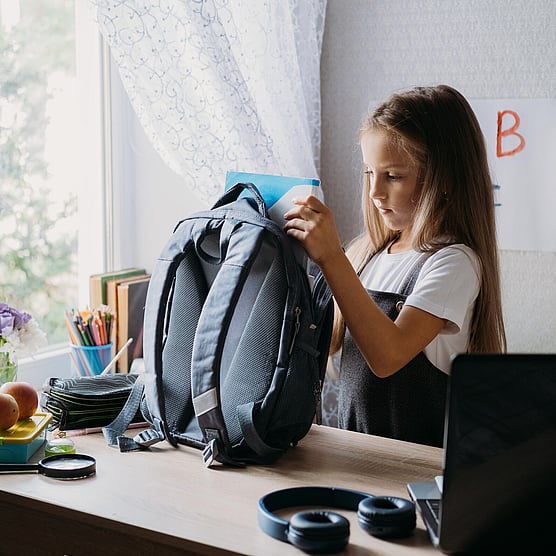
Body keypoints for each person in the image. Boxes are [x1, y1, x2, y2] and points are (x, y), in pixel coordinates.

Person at [284, 85, 507, 447]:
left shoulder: (454, 263)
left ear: (443, 179)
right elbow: (325, 346)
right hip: (359, 458)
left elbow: (387, 356)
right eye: (369, 173)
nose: (375, 191)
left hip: (414, 472)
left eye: (393, 176)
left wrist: (331, 259)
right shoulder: (367, 255)